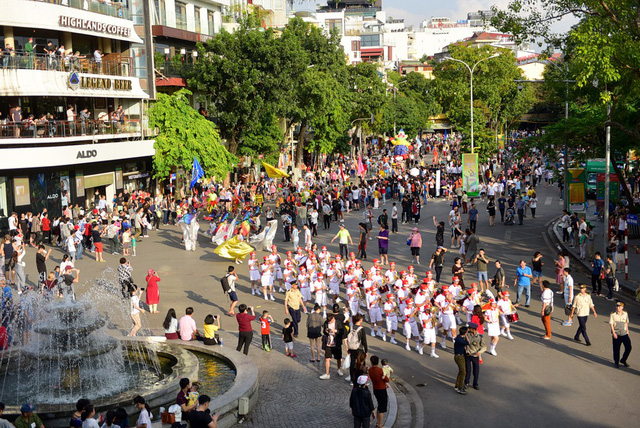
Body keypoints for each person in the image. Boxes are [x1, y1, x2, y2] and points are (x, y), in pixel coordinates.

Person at [319, 312, 345, 380]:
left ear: (333, 318)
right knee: (327, 358)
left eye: (331, 321)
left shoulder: (338, 322)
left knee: (338, 358)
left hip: (336, 343)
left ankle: (339, 369)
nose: (330, 323)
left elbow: (342, 331)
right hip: (328, 343)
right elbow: (324, 332)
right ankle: (327, 373)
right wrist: (326, 331)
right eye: (329, 321)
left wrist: (336, 331)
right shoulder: (326, 323)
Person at [368, 356, 389, 428]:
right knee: (382, 408)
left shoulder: (370, 370)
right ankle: (380, 424)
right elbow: (387, 379)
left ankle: (377, 422)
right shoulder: (380, 370)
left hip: (375, 389)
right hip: (382, 390)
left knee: (379, 405)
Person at [610, 301, 632, 368]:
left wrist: (627, 330)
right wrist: (613, 333)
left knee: (629, 347)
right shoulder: (613, 314)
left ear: (622, 307)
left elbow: (626, 322)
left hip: (624, 333)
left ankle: (623, 360)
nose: (618, 308)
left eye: (619, 306)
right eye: (617, 306)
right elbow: (611, 324)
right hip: (617, 334)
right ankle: (616, 362)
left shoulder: (625, 314)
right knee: (616, 349)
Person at [464, 322, 485, 391]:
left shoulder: (480, 337)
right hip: (467, 355)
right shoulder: (467, 335)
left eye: (470, 328)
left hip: (475, 355)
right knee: (468, 370)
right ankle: (466, 382)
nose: (468, 329)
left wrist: (479, 352)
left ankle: (475, 383)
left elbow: (484, 347)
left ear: (474, 329)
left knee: (476, 371)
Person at [453, 326, 469, 395]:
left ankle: (457, 384)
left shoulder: (459, 337)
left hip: (459, 356)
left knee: (461, 371)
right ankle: (460, 387)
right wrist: (466, 336)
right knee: (463, 372)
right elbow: (468, 342)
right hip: (459, 357)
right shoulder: (460, 339)